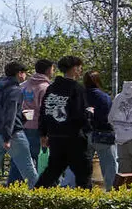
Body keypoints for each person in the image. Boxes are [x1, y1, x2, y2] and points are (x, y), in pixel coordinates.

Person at [36, 55, 92, 189]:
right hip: (74, 138)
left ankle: (34, 197)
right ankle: (87, 205)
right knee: (83, 174)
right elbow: (80, 114)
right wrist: (88, 122)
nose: (80, 70)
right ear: (73, 69)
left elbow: (44, 111)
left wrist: (43, 133)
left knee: (52, 171)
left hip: (55, 137)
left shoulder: (52, 88)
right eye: (79, 68)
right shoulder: (76, 88)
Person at [7, 59, 54, 185]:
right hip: (37, 127)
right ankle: (40, 186)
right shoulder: (45, 88)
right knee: (38, 158)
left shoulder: (23, 86)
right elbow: (46, 111)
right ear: (49, 69)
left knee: (20, 158)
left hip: (20, 125)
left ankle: (13, 185)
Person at [84, 70, 118, 191]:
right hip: (103, 134)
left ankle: (84, 192)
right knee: (110, 167)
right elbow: (110, 116)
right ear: (98, 81)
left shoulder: (79, 95)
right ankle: (111, 192)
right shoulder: (104, 97)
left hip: (84, 134)